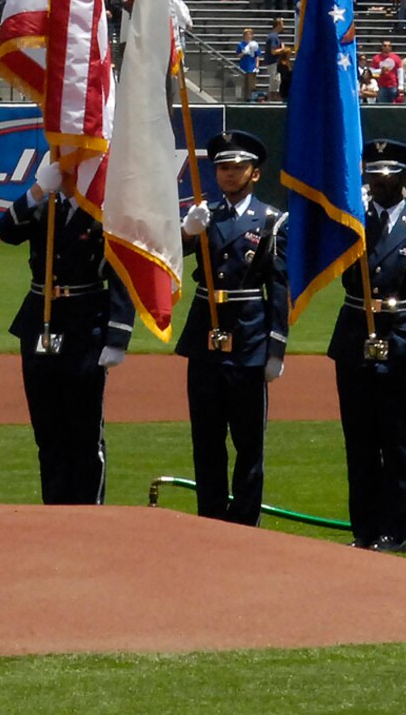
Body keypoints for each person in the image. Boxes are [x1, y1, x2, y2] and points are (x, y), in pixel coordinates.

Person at [0, 151, 135, 504]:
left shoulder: (102, 214)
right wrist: (38, 191)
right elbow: (5, 231)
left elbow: (122, 272)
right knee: (47, 428)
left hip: (85, 324)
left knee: (84, 430)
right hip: (39, 322)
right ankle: (54, 509)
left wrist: (118, 335)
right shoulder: (43, 207)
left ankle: (88, 510)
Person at [330, 140, 406, 551]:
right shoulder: (352, 223)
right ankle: (364, 526)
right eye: (373, 171)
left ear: (404, 176)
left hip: (400, 333)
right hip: (353, 332)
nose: (377, 179)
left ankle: (396, 528)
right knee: (359, 437)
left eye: (387, 172)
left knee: (397, 436)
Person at [176, 130, 288, 525]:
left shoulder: (272, 220)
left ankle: (244, 521)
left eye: (237, 167)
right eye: (222, 167)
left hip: (248, 334)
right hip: (204, 331)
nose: (228, 174)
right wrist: (187, 231)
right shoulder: (203, 215)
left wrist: (276, 348)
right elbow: (169, 257)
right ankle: (209, 516)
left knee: (247, 440)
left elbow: (279, 288)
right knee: (206, 438)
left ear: (254, 174)